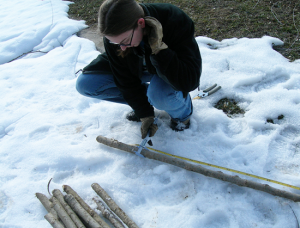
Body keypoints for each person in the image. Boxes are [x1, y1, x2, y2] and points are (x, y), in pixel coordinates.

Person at [76, 0, 202, 139]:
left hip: (168, 68)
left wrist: (159, 50)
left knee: (159, 95)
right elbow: (124, 78)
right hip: (138, 67)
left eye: (124, 42)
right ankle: (146, 100)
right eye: (115, 43)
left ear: (141, 23)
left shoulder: (173, 18)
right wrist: (144, 113)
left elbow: (190, 81)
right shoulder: (118, 37)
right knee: (86, 84)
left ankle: (182, 114)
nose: (121, 48)